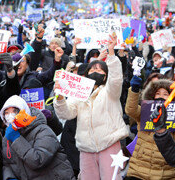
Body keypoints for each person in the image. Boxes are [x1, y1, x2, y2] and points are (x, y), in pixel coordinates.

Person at [53, 34, 129, 180]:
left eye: (100, 70)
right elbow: (66, 113)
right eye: (93, 70)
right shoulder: (79, 93)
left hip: (109, 145)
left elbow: (116, 79)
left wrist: (111, 53)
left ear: (106, 76)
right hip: (86, 148)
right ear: (87, 74)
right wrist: (60, 98)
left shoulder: (110, 91)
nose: (96, 72)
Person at [125, 78, 175, 179]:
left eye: (165, 94)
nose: (161, 96)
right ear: (152, 95)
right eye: (158, 93)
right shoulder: (145, 111)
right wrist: (134, 90)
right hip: (138, 171)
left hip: (164, 174)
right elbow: (131, 110)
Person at [0, 95, 75, 179]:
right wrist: (10, 177)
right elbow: (8, 162)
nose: (10, 115)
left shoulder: (42, 130)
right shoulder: (8, 137)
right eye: (6, 112)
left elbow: (38, 161)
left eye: (14, 111)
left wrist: (16, 139)